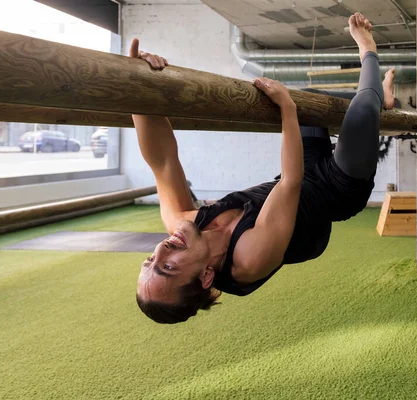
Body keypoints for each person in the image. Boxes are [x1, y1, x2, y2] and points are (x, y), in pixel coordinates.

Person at [133, 13, 396, 324]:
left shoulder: (181, 224)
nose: (162, 250)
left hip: (303, 173)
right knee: (362, 110)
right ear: (206, 277)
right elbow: (290, 184)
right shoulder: (247, 261)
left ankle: (384, 98)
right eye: (169, 266)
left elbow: (162, 160)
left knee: (315, 104)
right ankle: (369, 51)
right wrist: (287, 109)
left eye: (150, 260)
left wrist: (140, 84)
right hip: (334, 193)